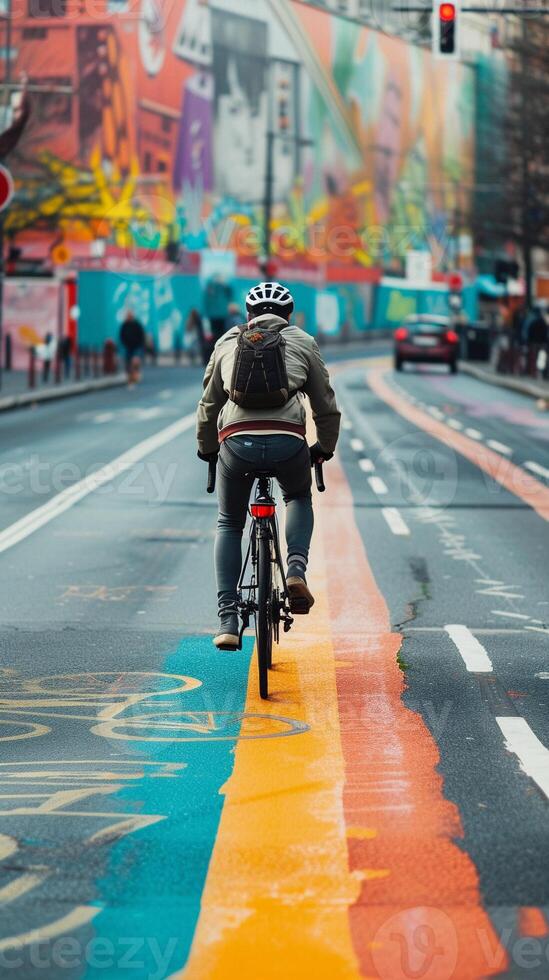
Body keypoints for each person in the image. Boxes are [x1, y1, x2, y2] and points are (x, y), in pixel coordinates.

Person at [196, 281, 341, 650]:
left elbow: (208, 405)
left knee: (229, 522)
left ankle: (228, 619)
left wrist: (208, 449)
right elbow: (326, 405)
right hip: (287, 440)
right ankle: (295, 569)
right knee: (297, 497)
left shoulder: (228, 341)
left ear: (248, 315)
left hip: (237, 442)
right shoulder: (304, 341)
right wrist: (323, 447)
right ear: (288, 316)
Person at [203, 274, 232, 342]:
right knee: (219, 335)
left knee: (219, 335)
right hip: (217, 315)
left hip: (220, 315)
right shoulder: (212, 287)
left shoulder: (222, 287)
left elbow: (230, 295)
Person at [119, 310, 146, 378]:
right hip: (128, 346)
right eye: (128, 315)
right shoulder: (124, 325)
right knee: (128, 361)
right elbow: (122, 335)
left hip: (137, 346)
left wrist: (141, 344)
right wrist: (124, 343)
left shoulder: (137, 324)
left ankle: (136, 372)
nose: (129, 317)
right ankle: (130, 374)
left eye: (130, 315)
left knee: (135, 360)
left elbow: (141, 335)